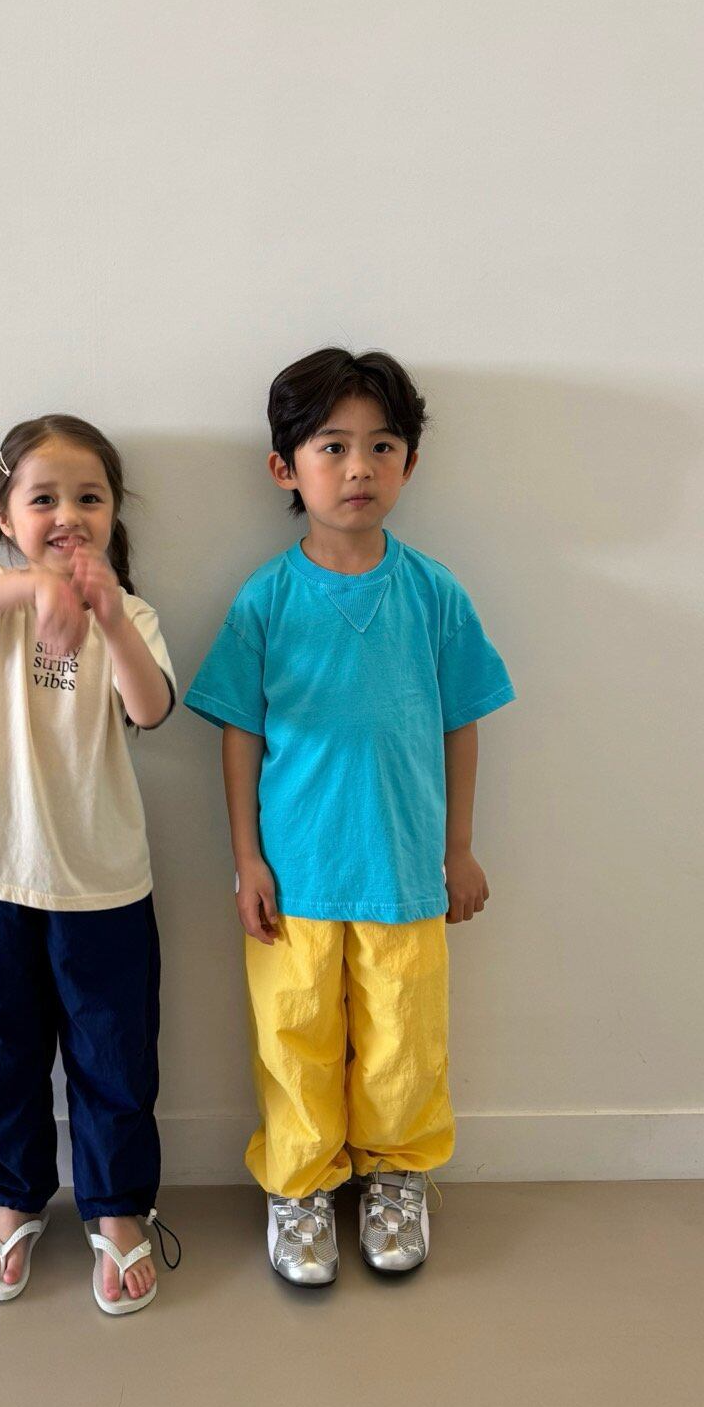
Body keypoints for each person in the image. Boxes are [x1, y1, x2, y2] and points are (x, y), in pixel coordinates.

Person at [185, 349, 515, 1285]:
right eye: (333, 445)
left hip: (406, 871)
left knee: (405, 1038)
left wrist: (459, 848)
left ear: (410, 462)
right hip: (295, 874)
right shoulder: (265, 599)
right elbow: (240, 734)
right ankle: (300, 1186)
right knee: (294, 1036)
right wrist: (247, 859)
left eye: (382, 445)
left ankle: (396, 1176)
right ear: (285, 467)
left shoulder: (434, 593)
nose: (360, 466)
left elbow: (461, 722)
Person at [0, 414, 180, 1313]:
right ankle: (8, 1198)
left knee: (115, 1057)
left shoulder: (133, 614)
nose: (68, 515)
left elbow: (150, 709)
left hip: (102, 880)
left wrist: (107, 614)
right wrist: (33, 584)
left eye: (90, 497)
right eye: (44, 498)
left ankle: (117, 1207)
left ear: (114, 515)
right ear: (6, 515)